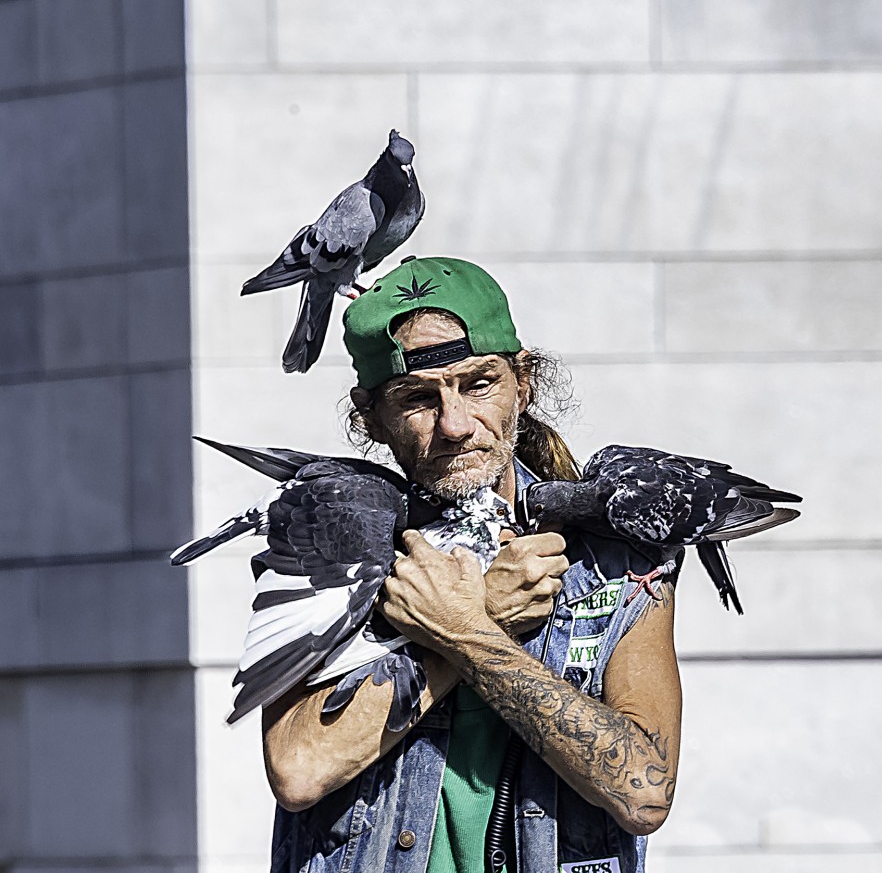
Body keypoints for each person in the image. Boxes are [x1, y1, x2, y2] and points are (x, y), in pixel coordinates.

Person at [261, 256, 682, 873]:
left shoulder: (618, 557)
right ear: (370, 416)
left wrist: (469, 631)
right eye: (417, 398)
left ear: (523, 382)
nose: (455, 425)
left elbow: (644, 793)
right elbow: (299, 769)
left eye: (478, 384)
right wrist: (477, 617)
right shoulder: (334, 537)